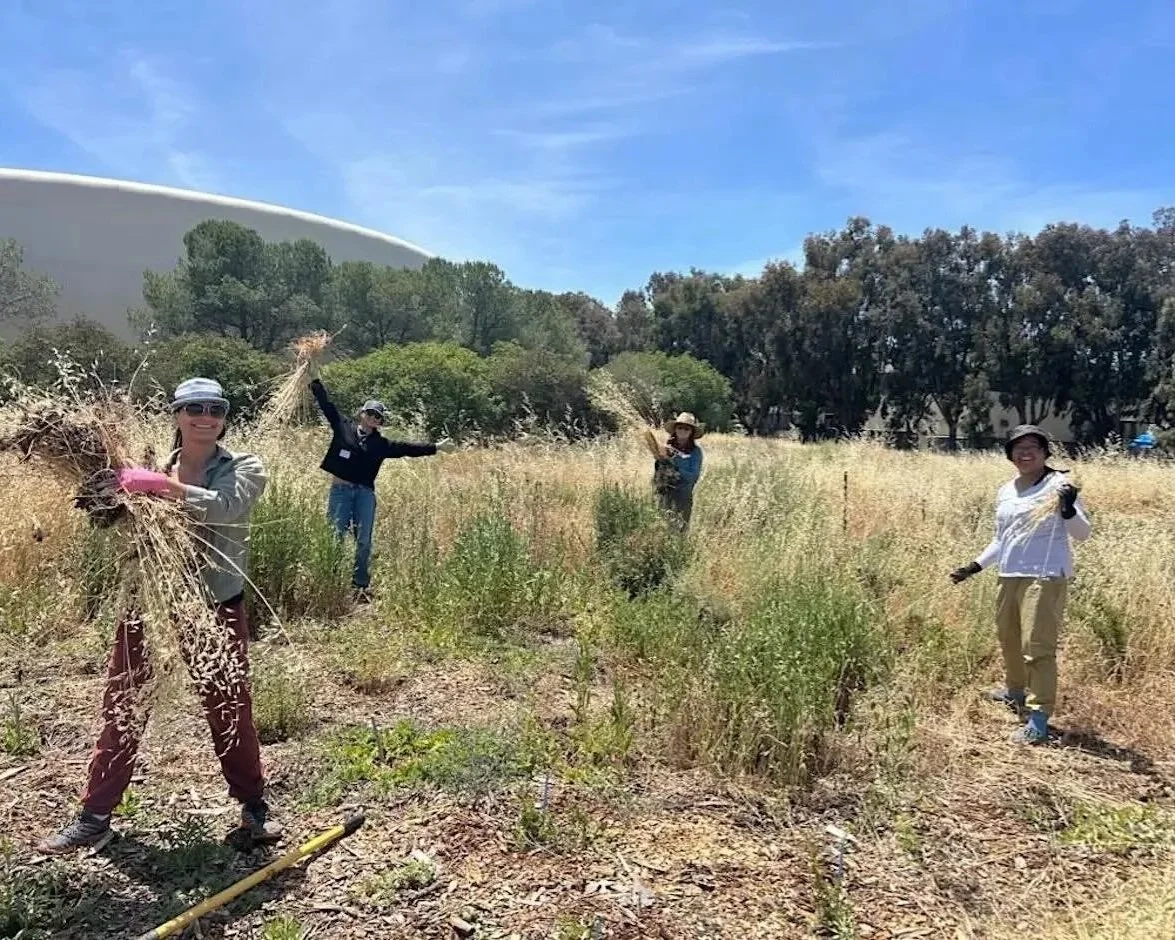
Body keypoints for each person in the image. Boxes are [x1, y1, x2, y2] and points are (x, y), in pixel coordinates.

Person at [38, 377, 280, 854]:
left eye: (215, 408)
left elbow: (228, 507)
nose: (205, 417)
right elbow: (117, 527)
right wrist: (106, 496)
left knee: (229, 706)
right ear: (178, 415)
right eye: (195, 408)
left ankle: (254, 806)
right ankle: (94, 816)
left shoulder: (243, 466)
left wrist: (161, 488)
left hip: (214, 605)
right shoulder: (149, 465)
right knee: (123, 705)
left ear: (224, 417)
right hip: (150, 602)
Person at [949, 424, 1091, 745]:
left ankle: (1038, 718)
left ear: (1045, 453)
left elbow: (1083, 533)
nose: (1025, 454)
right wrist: (974, 566)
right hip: (1009, 574)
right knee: (1008, 637)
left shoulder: (1059, 485)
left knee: (1037, 647)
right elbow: (1003, 539)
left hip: (1044, 576)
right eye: (1019, 448)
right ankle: (1015, 691)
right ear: (1010, 454)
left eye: (1033, 448)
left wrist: (1068, 508)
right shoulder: (1007, 490)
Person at [308, 368, 442, 599]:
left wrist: (436, 448)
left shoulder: (382, 445)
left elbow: (407, 448)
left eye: (378, 416)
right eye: (370, 413)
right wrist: (314, 381)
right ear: (362, 413)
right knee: (334, 537)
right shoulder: (343, 427)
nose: (373, 418)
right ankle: (329, 582)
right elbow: (327, 406)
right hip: (340, 491)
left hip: (364, 495)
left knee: (363, 541)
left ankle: (360, 586)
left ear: (380, 422)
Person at [654, 412, 704, 533]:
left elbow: (693, 476)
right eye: (680, 427)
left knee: (680, 531)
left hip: (683, 497)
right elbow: (658, 472)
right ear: (675, 429)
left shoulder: (695, 452)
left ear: (691, 432)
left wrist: (675, 465)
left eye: (686, 429)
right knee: (661, 529)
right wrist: (661, 459)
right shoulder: (666, 448)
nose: (682, 431)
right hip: (665, 495)